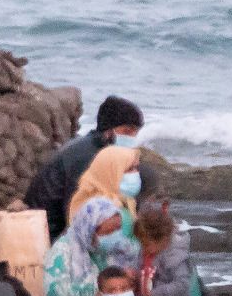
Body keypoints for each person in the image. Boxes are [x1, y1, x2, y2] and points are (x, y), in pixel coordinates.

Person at [25, 95, 153, 240]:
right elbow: (75, 212)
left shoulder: (94, 147)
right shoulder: (87, 159)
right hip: (49, 234)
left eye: (135, 132)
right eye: (127, 131)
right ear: (109, 130)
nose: (132, 137)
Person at [68, 145, 143, 268]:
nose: (136, 173)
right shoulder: (98, 208)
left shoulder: (125, 200)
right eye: (130, 169)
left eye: (136, 167)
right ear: (112, 171)